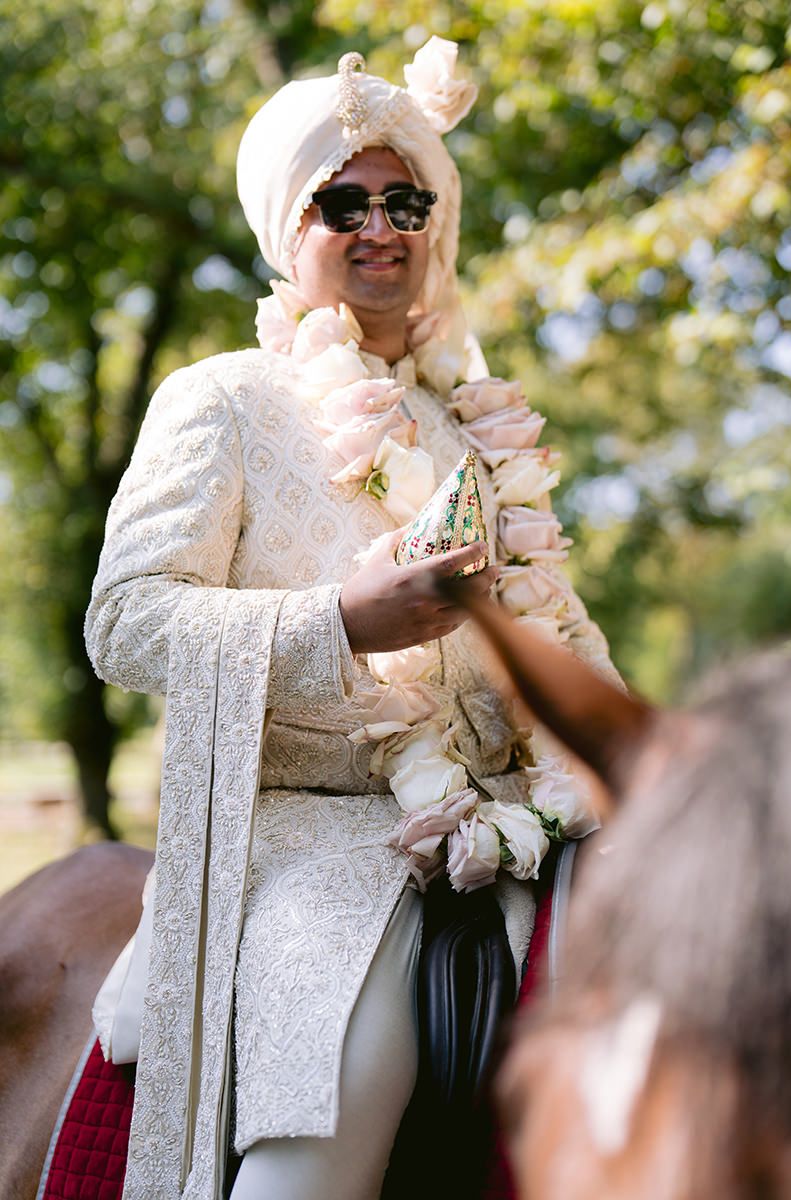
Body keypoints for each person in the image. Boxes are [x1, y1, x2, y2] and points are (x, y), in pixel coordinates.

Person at [85, 37, 618, 1200]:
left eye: (405, 198)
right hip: (313, 840)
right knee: (338, 1096)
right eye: (343, 201)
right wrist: (339, 620)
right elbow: (123, 622)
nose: (380, 225)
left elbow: (560, 637)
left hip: (511, 825)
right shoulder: (221, 399)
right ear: (292, 226)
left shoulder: (478, 428)